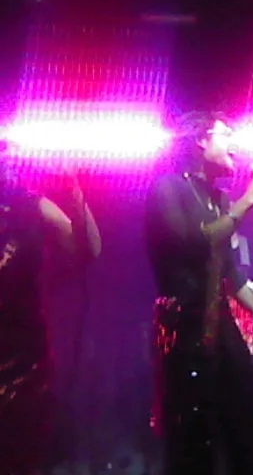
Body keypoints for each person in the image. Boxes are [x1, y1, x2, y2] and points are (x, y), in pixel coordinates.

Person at [144, 111, 253, 475]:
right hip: (182, 328)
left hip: (219, 326)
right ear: (200, 141)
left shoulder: (220, 199)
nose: (234, 146)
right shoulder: (168, 189)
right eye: (226, 135)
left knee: (252, 425)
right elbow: (194, 242)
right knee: (193, 438)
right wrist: (249, 200)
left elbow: (231, 275)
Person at [0, 138, 102, 474]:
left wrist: (73, 187)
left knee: (22, 453)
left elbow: (87, 250)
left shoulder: (29, 205)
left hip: (23, 355)